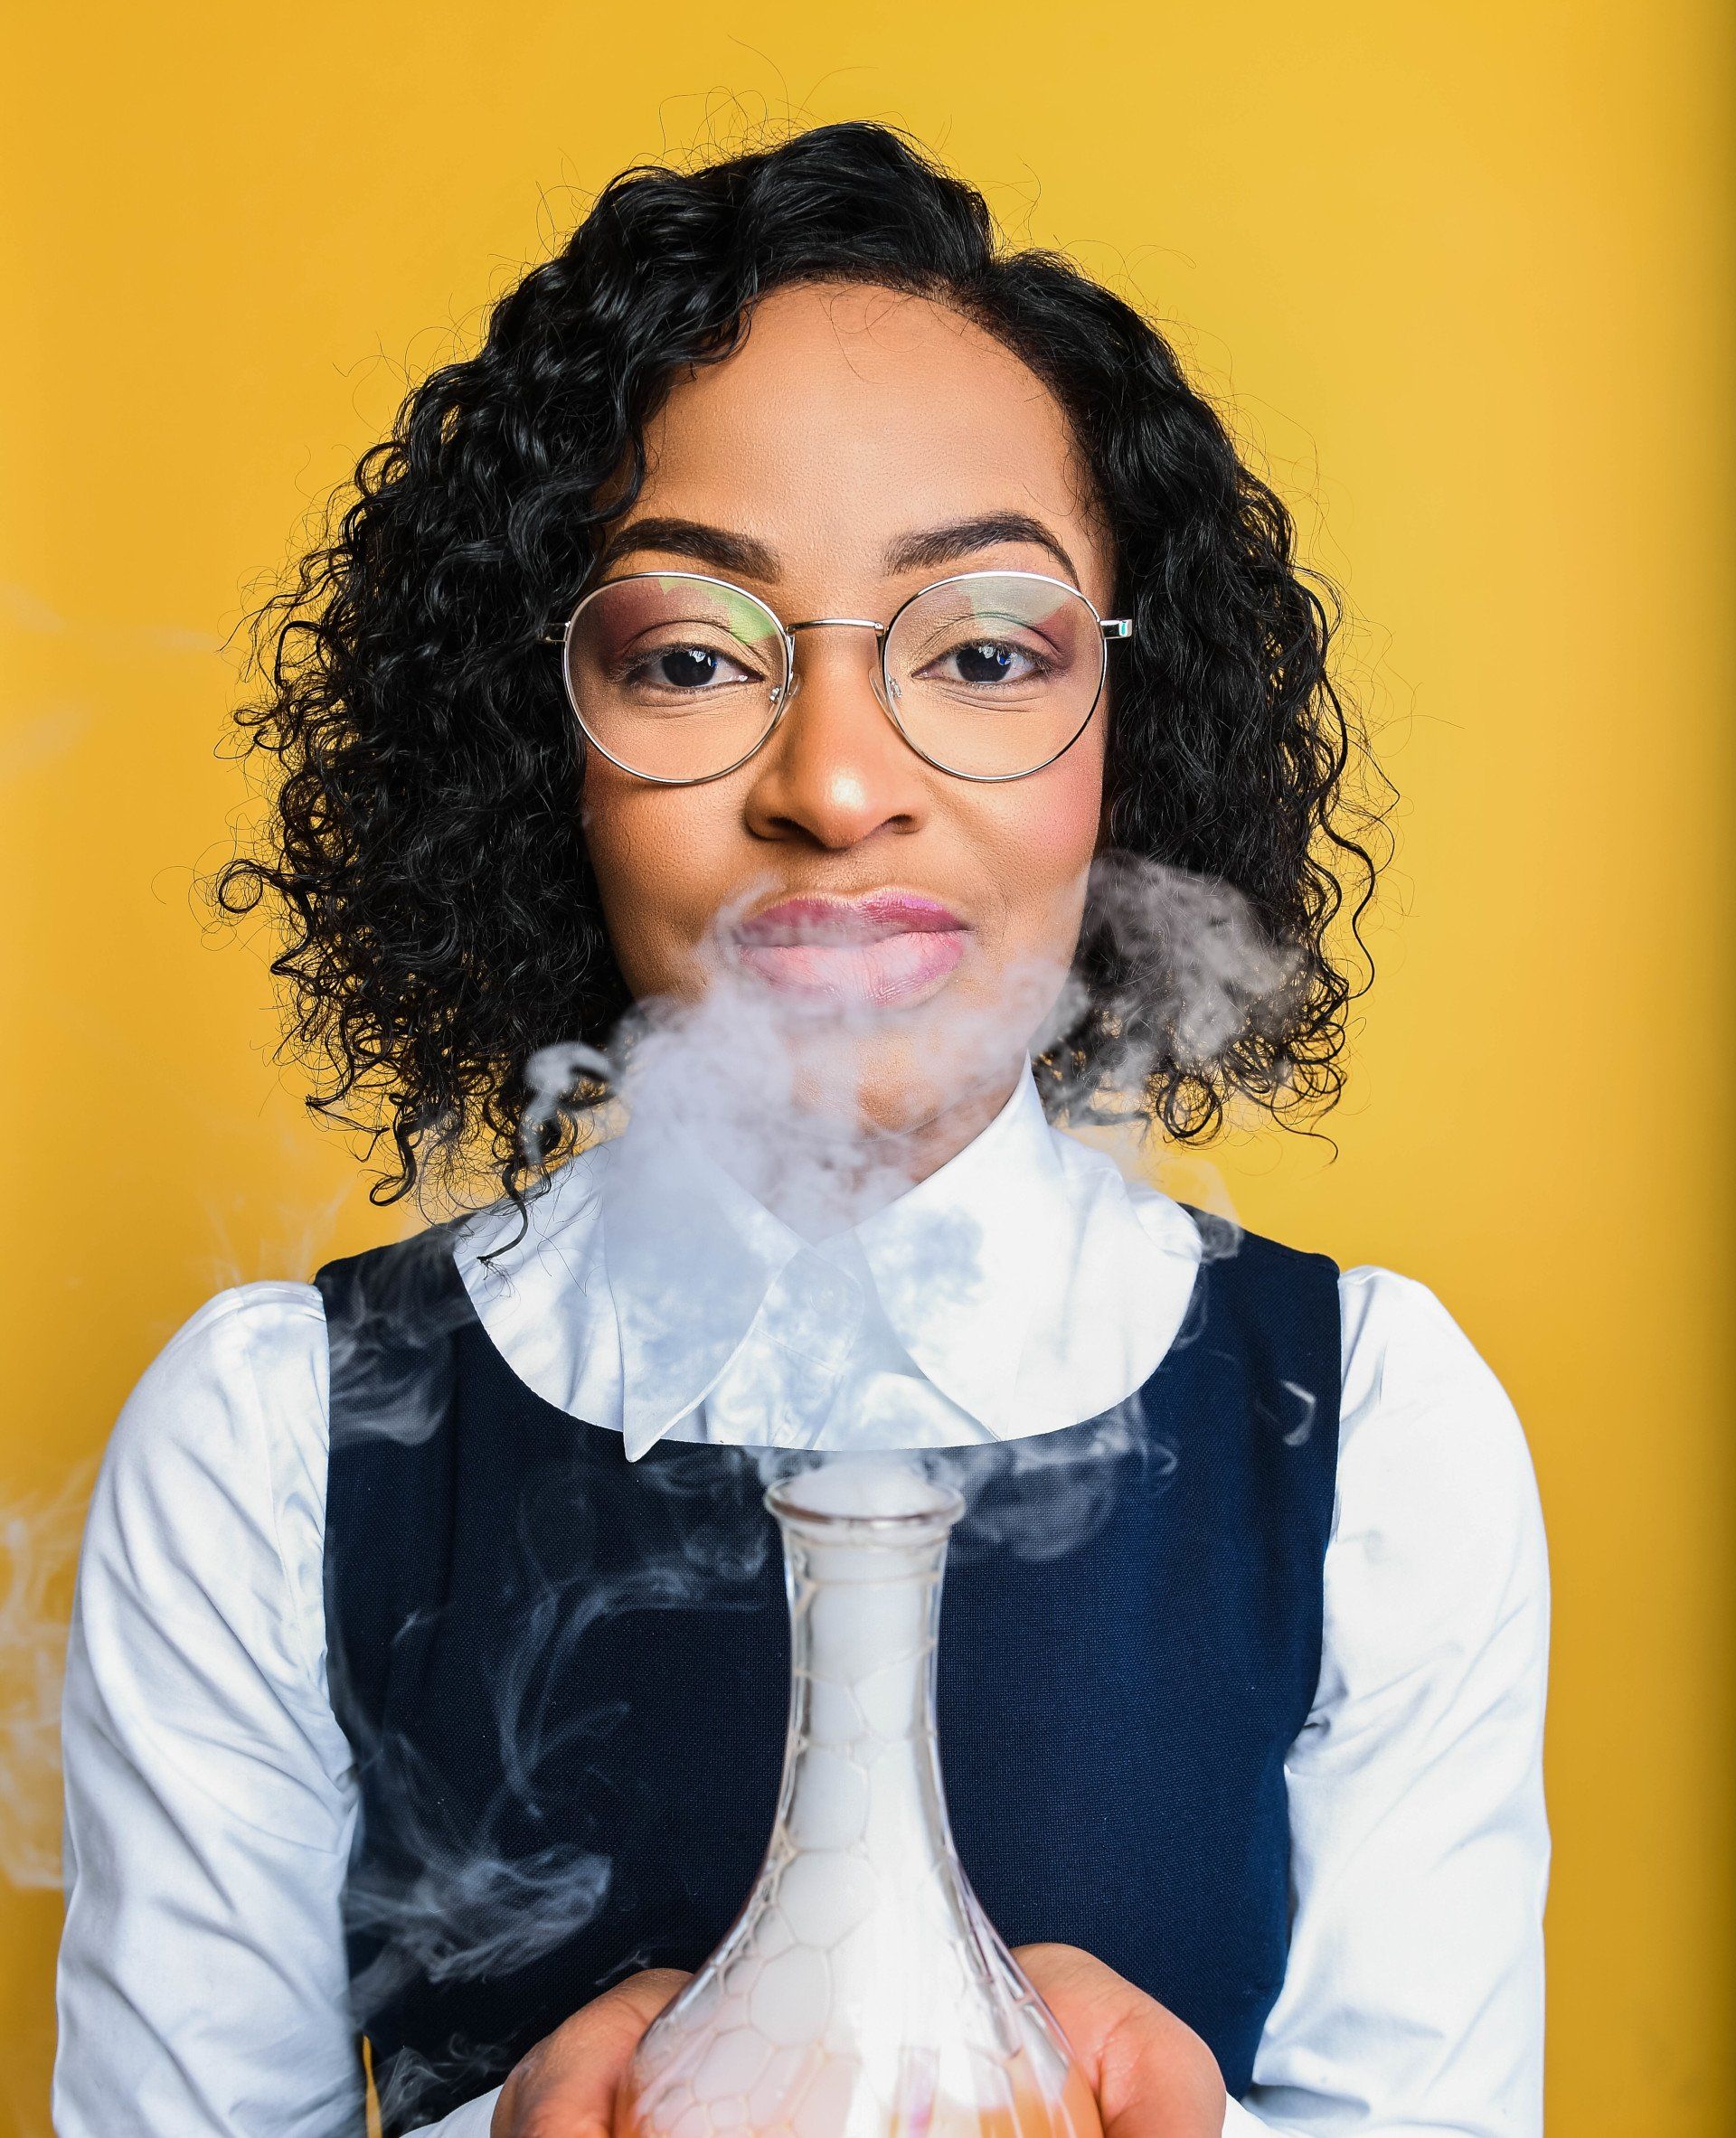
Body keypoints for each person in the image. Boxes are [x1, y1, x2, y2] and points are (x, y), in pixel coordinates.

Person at [52, 123, 1549, 2138]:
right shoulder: (272, 1443)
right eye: (689, 657)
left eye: (988, 650)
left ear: (1126, 726)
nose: (838, 784)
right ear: (540, 746)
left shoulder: (1365, 1426)